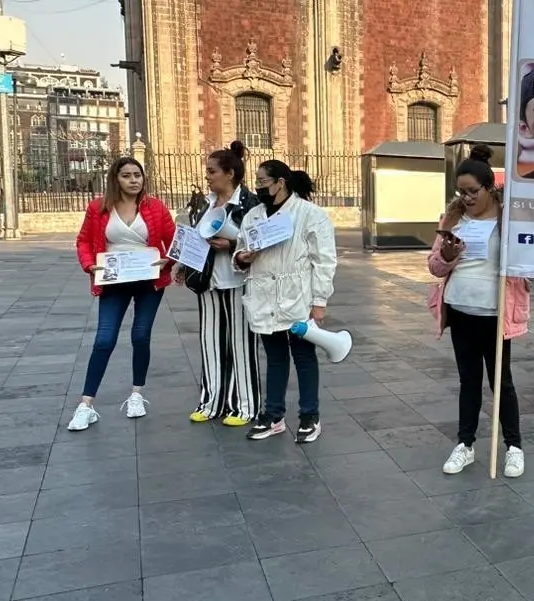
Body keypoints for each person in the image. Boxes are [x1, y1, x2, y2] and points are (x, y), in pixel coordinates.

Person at [427, 145, 530, 477]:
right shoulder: (452, 219)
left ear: (489, 188)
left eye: (473, 191)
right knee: (468, 380)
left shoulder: (508, 219)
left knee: (502, 382)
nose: (467, 198)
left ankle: (513, 447)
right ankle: (465, 444)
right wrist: (446, 254)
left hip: (495, 312)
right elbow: (434, 268)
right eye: (462, 192)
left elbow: (528, 261)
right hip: (460, 309)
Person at [69, 157, 177, 431]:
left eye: (137, 175)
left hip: (148, 280)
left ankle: (136, 395)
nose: (133, 180)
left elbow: (175, 239)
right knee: (104, 339)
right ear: (115, 179)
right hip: (113, 280)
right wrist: (89, 264)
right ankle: (86, 405)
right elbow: (83, 240)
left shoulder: (155, 207)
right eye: (126, 175)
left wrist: (169, 260)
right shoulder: (98, 207)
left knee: (140, 335)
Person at [233, 159, 337, 444]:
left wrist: (319, 301)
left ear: (281, 182)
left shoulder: (309, 214)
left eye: (263, 182)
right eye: (256, 182)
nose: (258, 187)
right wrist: (243, 257)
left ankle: (309, 416)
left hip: (297, 297)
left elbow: (324, 261)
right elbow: (240, 251)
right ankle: (274, 415)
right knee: (275, 358)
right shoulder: (253, 215)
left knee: (303, 356)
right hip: (263, 296)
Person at [175, 141, 262, 427]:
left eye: (212, 171)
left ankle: (245, 405)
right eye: (207, 171)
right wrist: (182, 264)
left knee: (241, 343)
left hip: (240, 281)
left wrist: (233, 243)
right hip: (209, 281)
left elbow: (263, 241)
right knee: (210, 341)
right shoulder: (205, 204)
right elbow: (197, 239)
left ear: (230, 174)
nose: (208, 176)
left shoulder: (251, 204)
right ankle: (211, 402)